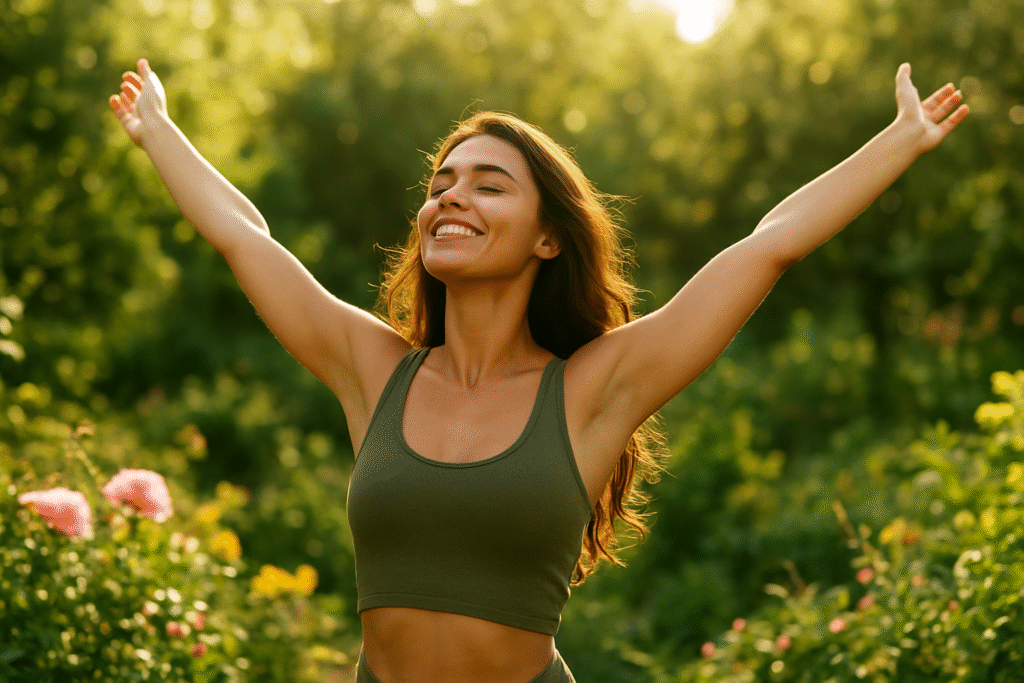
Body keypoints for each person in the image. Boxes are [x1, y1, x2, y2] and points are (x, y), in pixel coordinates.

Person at [110, 58, 968, 682]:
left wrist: (898, 143)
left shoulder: (595, 390)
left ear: (547, 237)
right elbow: (245, 235)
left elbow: (766, 246)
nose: (451, 197)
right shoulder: (375, 370)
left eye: (489, 186)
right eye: (442, 182)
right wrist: (159, 132)